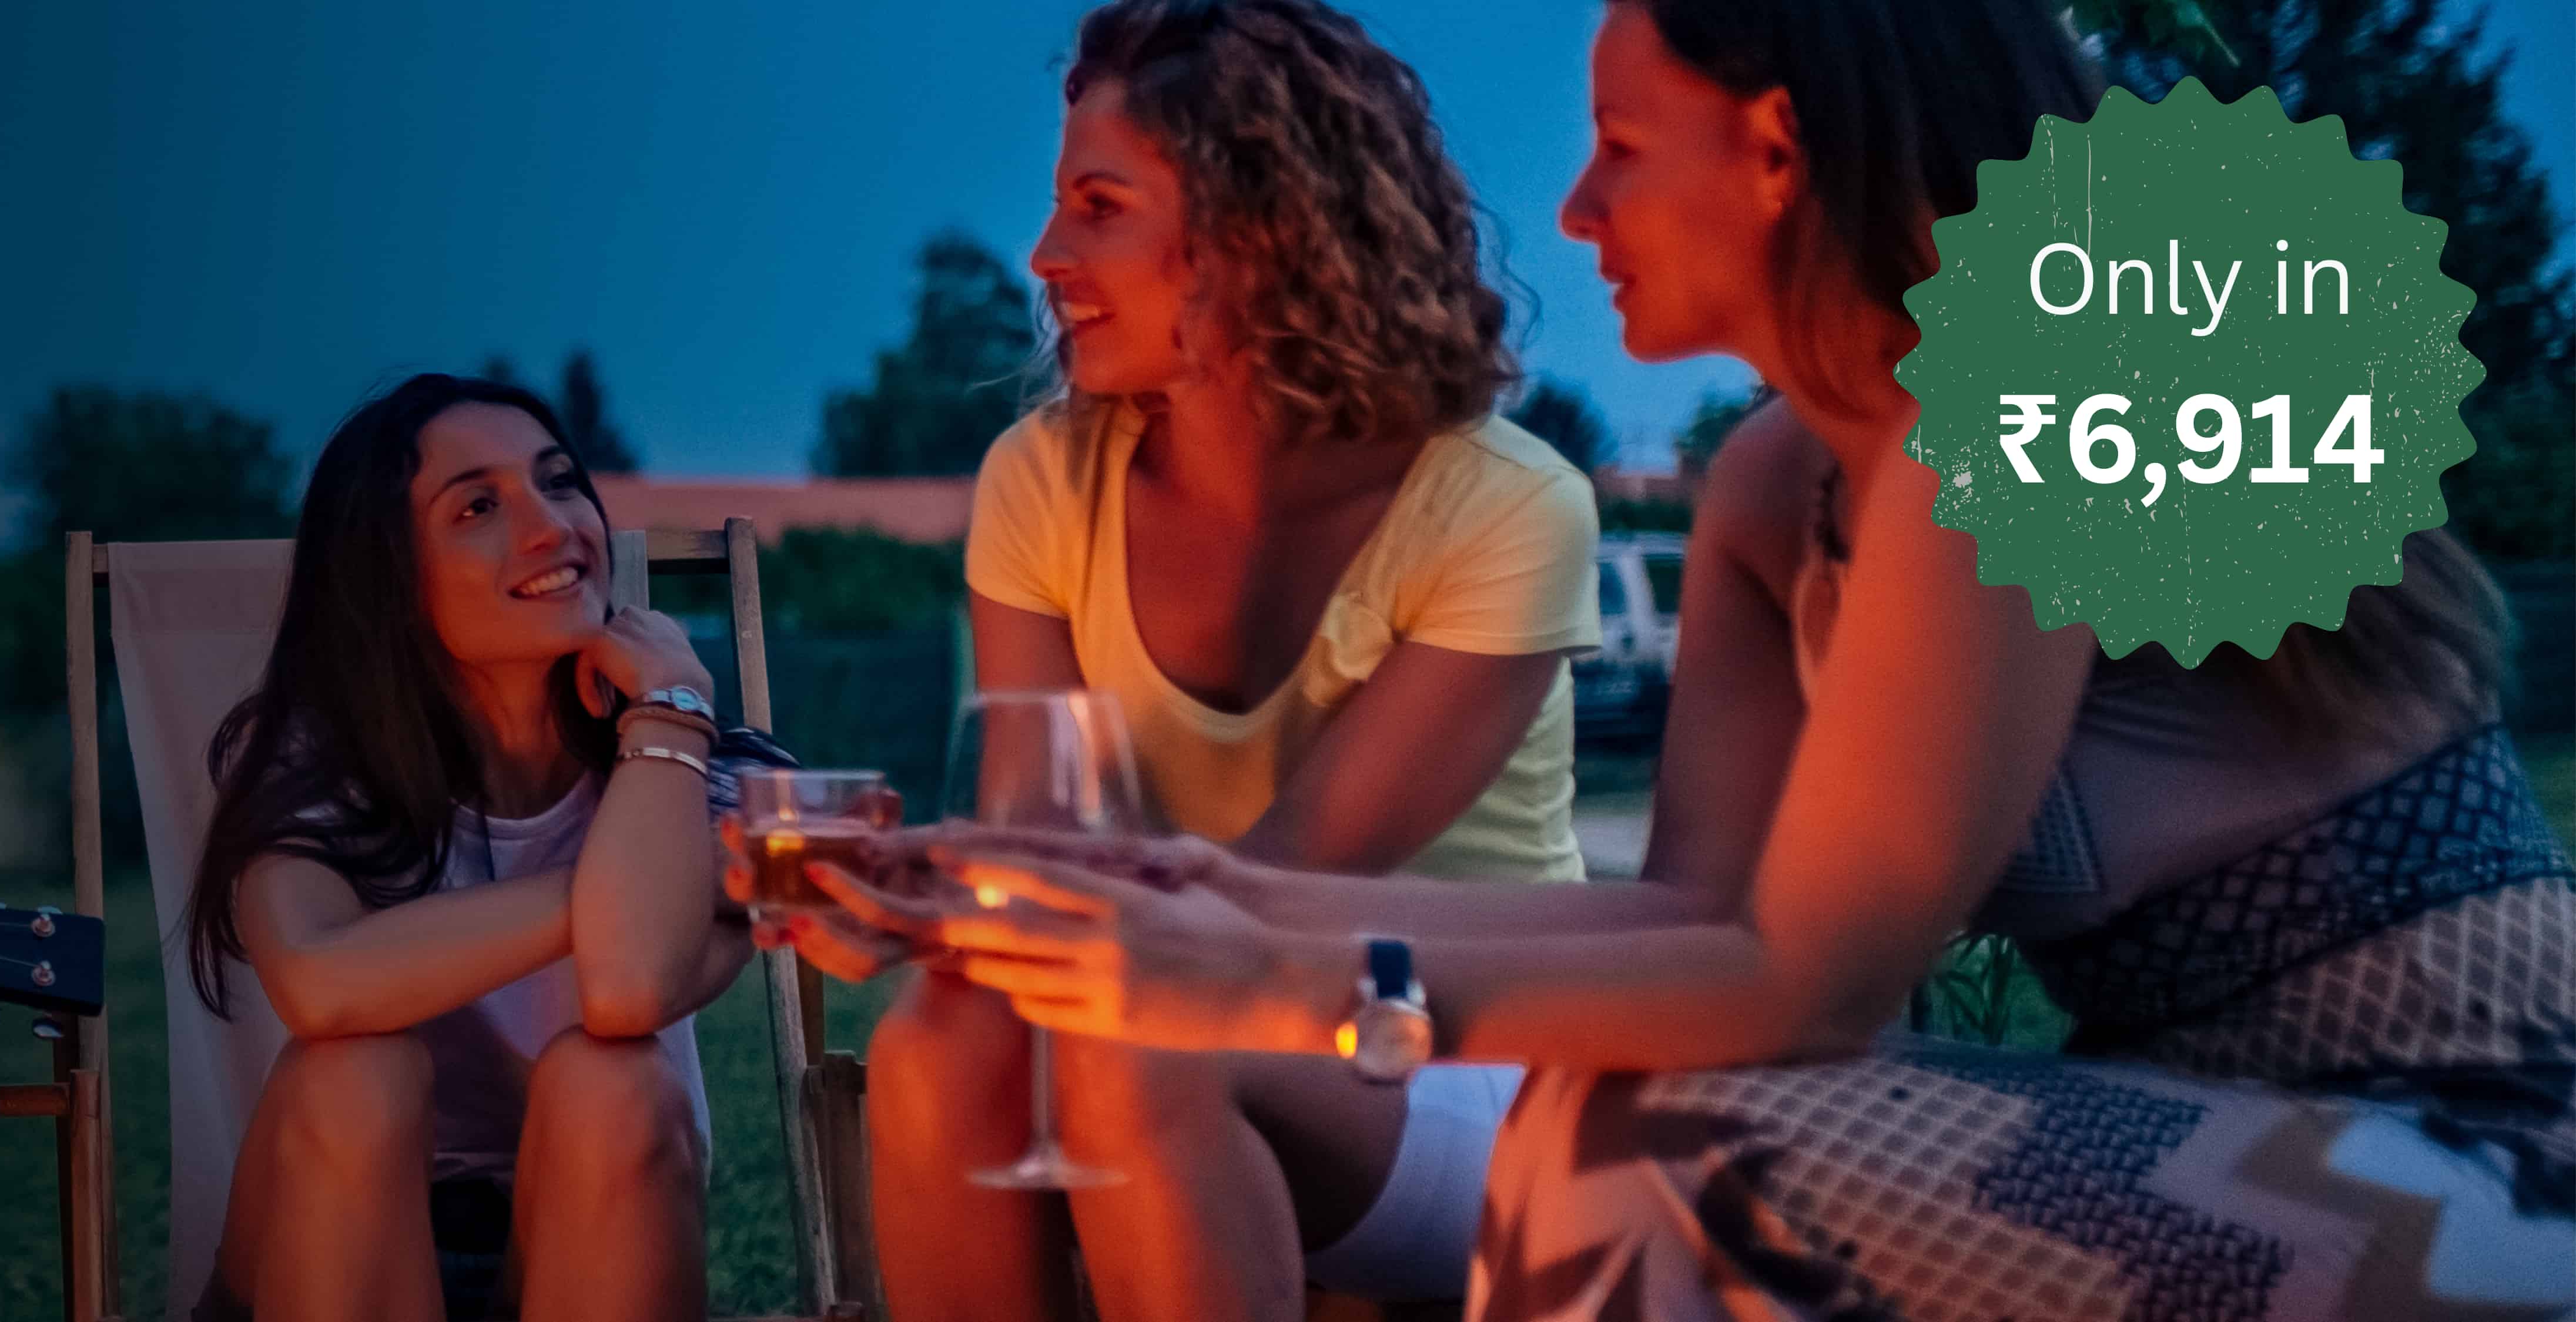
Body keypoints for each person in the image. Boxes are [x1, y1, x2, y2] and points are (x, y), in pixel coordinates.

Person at [862, 2, 2576, 1316]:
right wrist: (1219, 904)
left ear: (1775, 150)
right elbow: (1697, 910)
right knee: (1615, 1114)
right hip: (2193, 1118)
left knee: (1636, 1154)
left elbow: (1806, 983)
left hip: (2478, 1150)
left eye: (1621, 145)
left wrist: (1268, 980)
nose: (1574, 206)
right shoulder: (1775, 483)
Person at [775, 2, 1600, 1316]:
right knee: (941, 1037)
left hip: (1463, 1042)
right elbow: (1043, 844)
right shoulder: (1044, 478)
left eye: (1099, 207)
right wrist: (931, 891)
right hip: (1171, 995)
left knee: (1140, 1031)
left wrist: (987, 898)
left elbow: (1290, 882)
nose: (1045, 255)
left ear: (1261, 231)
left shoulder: (1505, 505)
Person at [192, 373, 778, 1322]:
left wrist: (672, 711)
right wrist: (622, 890)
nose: (552, 527)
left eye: (558, 481)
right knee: (352, 1073)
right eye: (478, 507)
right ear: (388, 578)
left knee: (616, 1080)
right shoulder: (313, 767)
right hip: (329, 1243)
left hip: (589, 1240)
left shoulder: (696, 773)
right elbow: (318, 981)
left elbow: (630, 985)